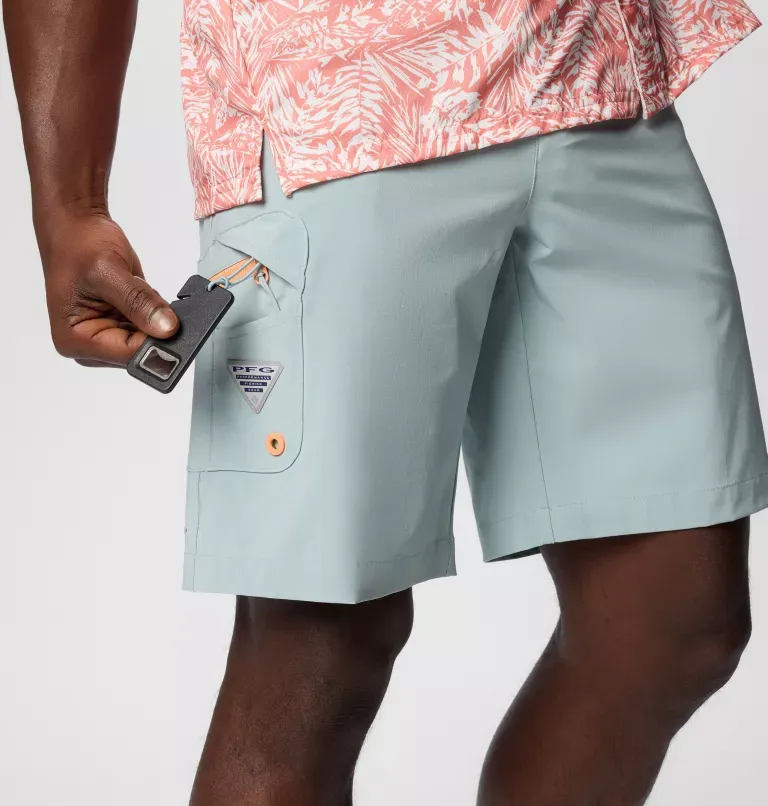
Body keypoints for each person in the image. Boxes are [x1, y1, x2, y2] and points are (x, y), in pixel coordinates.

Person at [5, 1, 766, 803]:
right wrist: (70, 205)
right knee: (319, 650)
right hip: (335, 113)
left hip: (599, 75)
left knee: (676, 617)